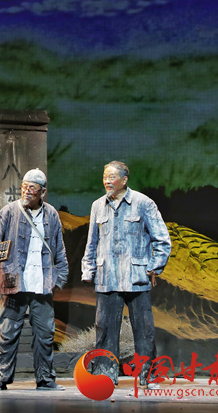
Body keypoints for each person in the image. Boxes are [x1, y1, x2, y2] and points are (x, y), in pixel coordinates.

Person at [81, 161, 171, 389]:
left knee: (144, 331)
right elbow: (91, 242)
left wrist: (153, 268)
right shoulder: (97, 205)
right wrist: (88, 269)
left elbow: (162, 240)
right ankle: (104, 376)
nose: (107, 181)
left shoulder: (143, 203)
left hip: (136, 277)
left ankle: (149, 376)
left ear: (124, 179)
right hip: (107, 277)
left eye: (112, 177)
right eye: (105, 177)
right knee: (104, 330)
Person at [0, 168, 69, 391]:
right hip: (14, 281)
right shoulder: (9, 211)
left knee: (45, 334)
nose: (26, 191)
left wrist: (59, 279)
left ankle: (45, 379)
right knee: (7, 332)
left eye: (32, 188)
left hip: (42, 284)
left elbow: (59, 250)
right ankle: (0, 378)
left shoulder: (51, 214)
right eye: (24, 187)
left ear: (42, 192)